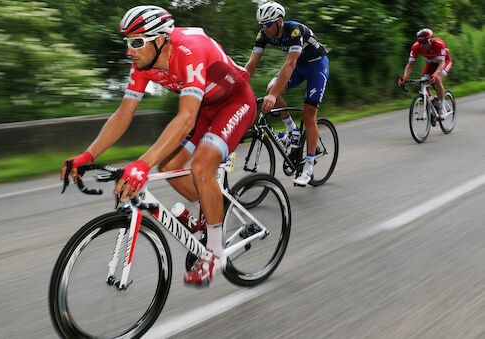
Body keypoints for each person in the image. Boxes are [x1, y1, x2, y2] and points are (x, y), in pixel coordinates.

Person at [61, 5, 256, 286]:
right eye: (128, 42)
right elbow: (123, 114)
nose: (130, 50)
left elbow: (186, 117)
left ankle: (214, 253)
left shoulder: (190, 50)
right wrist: (87, 154)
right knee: (170, 165)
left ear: (160, 39)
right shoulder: (143, 65)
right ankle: (212, 206)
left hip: (235, 102)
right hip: (204, 107)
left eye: (137, 42)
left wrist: (142, 164)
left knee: (201, 166)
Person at [244, 1, 329, 186]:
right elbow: (251, 64)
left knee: (308, 114)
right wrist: (237, 85)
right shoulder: (263, 35)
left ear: (279, 22)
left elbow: (289, 64)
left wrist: (274, 96)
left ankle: (308, 166)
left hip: (317, 66)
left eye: (267, 24)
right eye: (262, 25)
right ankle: (293, 130)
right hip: (298, 66)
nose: (264, 29)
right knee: (270, 88)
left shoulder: (295, 31)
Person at [398, 28, 453, 120]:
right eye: (420, 43)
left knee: (437, 79)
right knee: (424, 81)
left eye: (424, 43)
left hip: (445, 62)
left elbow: (441, 63)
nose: (422, 45)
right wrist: (404, 77)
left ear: (430, 40)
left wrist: (435, 75)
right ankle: (432, 99)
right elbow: (410, 64)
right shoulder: (416, 47)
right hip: (431, 63)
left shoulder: (438, 44)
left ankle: (442, 107)